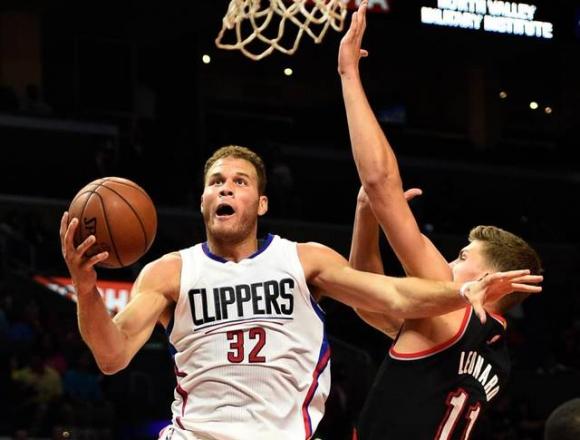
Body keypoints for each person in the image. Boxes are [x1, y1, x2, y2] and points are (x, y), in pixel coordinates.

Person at [59, 145, 541, 440]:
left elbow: (393, 298)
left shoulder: (305, 259)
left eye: (239, 181)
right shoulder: (168, 272)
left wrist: (462, 294)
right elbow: (111, 354)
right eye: (216, 182)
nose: (226, 188)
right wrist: (86, 287)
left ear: (261, 202)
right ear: (204, 199)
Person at [338, 2, 544, 439]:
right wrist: (365, 215)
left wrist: (349, 75)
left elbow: (380, 179)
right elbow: (366, 298)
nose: (448, 264)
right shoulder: (496, 352)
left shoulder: (454, 310)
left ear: (489, 276)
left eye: (461, 256)